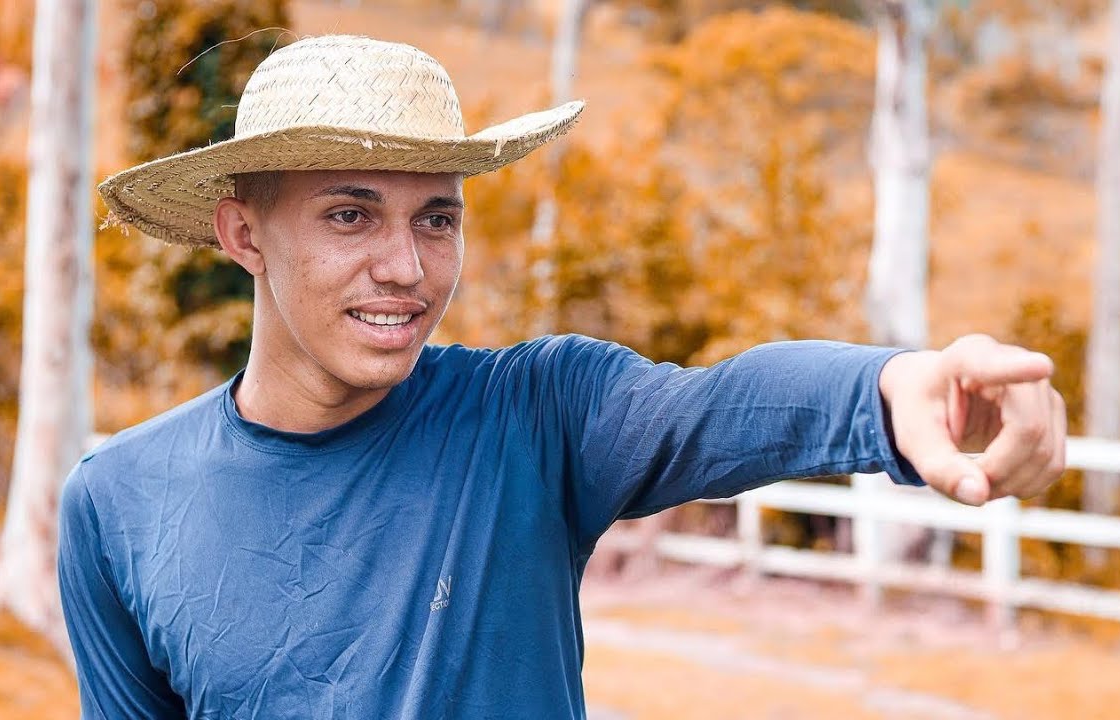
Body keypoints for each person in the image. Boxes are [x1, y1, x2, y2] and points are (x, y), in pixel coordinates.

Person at [61, 35, 1065, 719]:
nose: (406, 269)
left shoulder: (535, 417)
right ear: (242, 231)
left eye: (437, 219)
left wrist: (900, 389)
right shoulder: (119, 504)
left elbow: (718, 407)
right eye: (349, 214)